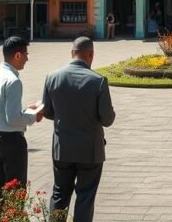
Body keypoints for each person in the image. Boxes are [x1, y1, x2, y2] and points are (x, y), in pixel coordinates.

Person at [41, 37, 116, 222]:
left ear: (71, 53)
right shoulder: (98, 80)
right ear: (91, 54)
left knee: (59, 194)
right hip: (89, 149)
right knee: (85, 196)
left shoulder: (52, 76)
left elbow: (48, 111)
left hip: (62, 147)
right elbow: (107, 119)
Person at [0, 36, 43, 189]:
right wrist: (34, 115)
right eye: (26, 54)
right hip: (10, 141)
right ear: (17, 55)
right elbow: (13, 119)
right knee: (15, 188)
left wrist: (26, 111)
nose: (27, 59)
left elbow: (2, 110)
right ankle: (12, 214)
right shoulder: (13, 81)